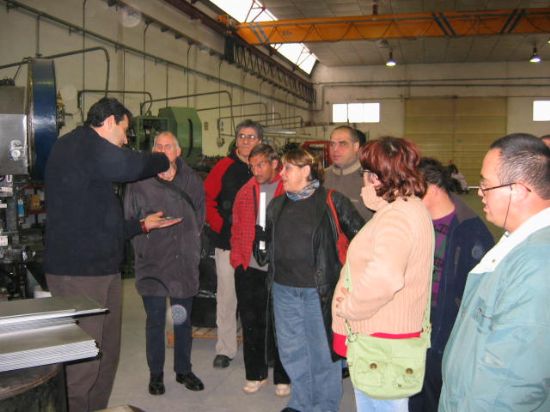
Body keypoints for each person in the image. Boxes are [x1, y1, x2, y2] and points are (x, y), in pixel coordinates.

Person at [44, 97, 179, 412]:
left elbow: (101, 221)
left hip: (103, 270)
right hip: (77, 274)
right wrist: (163, 159)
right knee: (83, 362)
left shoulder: (91, 158)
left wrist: (141, 226)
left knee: (106, 356)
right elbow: (129, 165)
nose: (126, 139)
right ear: (110, 122)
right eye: (125, 131)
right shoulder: (79, 145)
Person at [440, 133, 550, 411]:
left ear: (519, 190)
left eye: (486, 185)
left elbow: (511, 383)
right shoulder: (517, 241)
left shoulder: (538, 264)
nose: (479, 193)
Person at [332, 136, 434, 412]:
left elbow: (385, 278)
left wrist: (349, 307)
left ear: (377, 177)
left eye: (366, 173)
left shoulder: (396, 217)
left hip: (381, 343)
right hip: (387, 340)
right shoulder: (405, 208)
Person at [265, 148, 364, 412]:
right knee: (292, 350)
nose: (281, 174)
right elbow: (267, 242)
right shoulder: (277, 205)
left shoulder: (332, 200)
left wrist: (349, 278)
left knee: (322, 353)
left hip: (317, 291)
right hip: (283, 290)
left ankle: (324, 406)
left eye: (287, 168)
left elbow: (363, 238)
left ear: (306, 170)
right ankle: (301, 402)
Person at [408, 157, 494, 412]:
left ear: (433, 187)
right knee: (413, 388)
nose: (406, 193)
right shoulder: (412, 221)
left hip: (447, 324)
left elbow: (479, 294)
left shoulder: (471, 231)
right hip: (412, 318)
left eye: (413, 186)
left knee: (438, 389)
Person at [124, 131, 205, 396]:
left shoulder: (192, 179)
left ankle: (183, 370)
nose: (162, 149)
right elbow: (129, 222)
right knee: (155, 321)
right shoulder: (139, 182)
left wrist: (190, 245)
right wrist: (144, 249)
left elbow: (200, 218)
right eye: (158, 145)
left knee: (182, 321)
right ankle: (155, 375)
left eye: (168, 146)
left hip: (182, 264)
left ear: (178, 152)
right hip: (153, 265)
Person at [230, 144, 291, 396]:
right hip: (249, 268)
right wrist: (238, 260)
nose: (256, 171)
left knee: (281, 324)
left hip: (280, 269)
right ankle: (254, 374)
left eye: (261, 165)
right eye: (252, 166)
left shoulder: (288, 191)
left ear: (275, 164)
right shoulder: (245, 192)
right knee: (251, 322)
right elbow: (236, 227)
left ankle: (282, 376)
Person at [204, 119, 263, 368]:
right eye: (242, 136)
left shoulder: (266, 167)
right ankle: (226, 349)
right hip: (228, 245)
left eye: (251, 137)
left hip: (258, 248)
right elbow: (207, 199)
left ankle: (258, 347)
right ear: (236, 139)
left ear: (260, 141)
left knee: (258, 300)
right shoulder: (224, 167)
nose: (246, 141)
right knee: (227, 298)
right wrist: (222, 227)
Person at [324, 125, 373, 221]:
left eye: (342, 144)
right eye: (332, 144)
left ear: (356, 146)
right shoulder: (322, 176)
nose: (335, 149)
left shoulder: (371, 179)